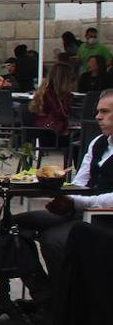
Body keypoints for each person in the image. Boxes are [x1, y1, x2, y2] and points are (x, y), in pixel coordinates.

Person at [19, 88, 113, 291]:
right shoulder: (99, 143)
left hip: (105, 218)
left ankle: (65, 303)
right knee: (14, 224)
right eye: (98, 111)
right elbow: (79, 183)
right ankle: (44, 295)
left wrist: (76, 202)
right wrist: (63, 196)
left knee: (53, 239)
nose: (98, 117)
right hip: (82, 211)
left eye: (105, 112)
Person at [30, 63, 76, 138]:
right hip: (51, 131)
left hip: (47, 127)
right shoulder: (50, 94)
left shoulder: (45, 91)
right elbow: (60, 114)